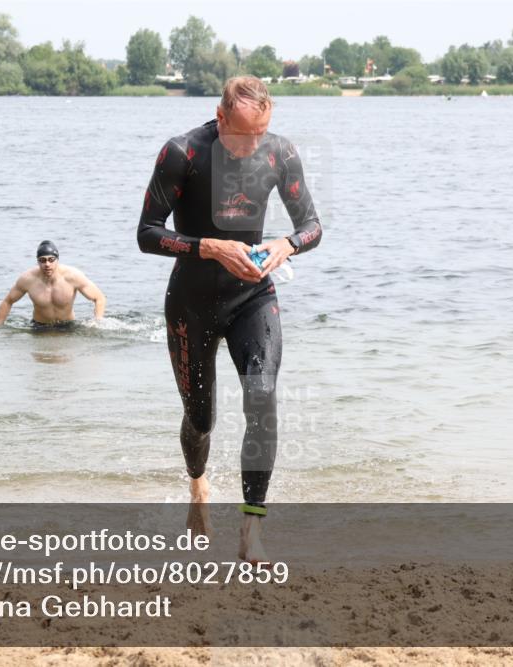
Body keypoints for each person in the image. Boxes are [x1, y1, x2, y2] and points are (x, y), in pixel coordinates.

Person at [137, 76, 322, 563]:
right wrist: (209, 247)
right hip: (191, 302)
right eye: (243, 135)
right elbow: (147, 234)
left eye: (261, 132)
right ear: (220, 119)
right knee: (201, 419)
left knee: (261, 399)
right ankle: (198, 489)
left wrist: (286, 244)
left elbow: (312, 226)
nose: (252, 145)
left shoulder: (280, 153)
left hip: (253, 296)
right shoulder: (182, 154)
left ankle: (251, 525)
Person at [0, 240, 106, 329]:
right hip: (39, 326)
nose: (47, 264)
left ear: (57, 260)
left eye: (51, 259)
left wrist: (97, 321)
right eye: (43, 260)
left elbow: (99, 298)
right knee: (40, 358)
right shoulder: (27, 279)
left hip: (68, 326)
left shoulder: (73, 276)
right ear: (37, 261)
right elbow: (8, 301)